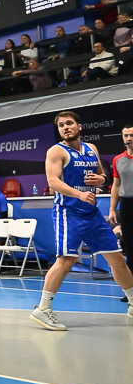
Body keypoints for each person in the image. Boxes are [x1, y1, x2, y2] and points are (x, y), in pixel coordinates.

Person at [30, 112, 133, 330]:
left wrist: (101, 179)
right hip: (68, 212)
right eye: (61, 125)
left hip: (91, 213)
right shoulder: (57, 151)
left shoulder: (91, 149)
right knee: (66, 260)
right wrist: (79, 194)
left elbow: (102, 176)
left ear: (79, 126)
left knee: (116, 257)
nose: (65, 127)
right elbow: (53, 181)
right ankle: (43, 309)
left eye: (69, 123)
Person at [110, 125, 133, 280]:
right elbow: (116, 186)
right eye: (126, 136)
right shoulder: (118, 159)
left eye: (132, 135)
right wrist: (112, 209)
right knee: (129, 245)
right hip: (127, 205)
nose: (129, 139)